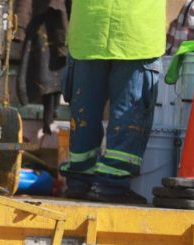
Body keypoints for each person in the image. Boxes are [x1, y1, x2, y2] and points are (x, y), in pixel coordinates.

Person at [60, 0, 166, 204]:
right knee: (129, 111)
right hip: (135, 32)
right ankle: (111, 185)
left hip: (89, 29)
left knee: (85, 111)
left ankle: (80, 180)